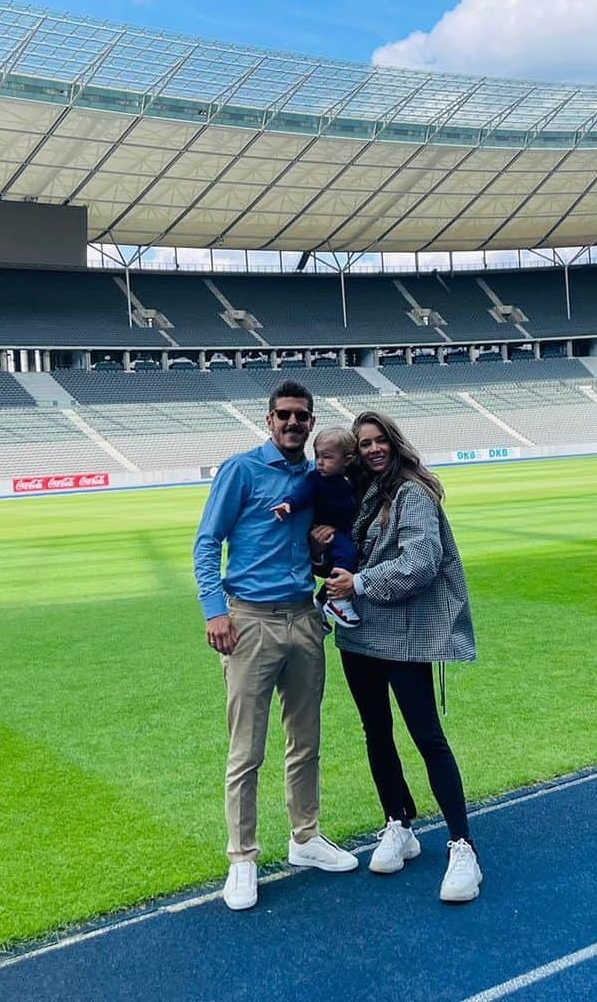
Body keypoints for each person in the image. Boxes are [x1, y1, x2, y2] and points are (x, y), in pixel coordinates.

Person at [193, 381, 358, 912]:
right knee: (247, 749)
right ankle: (242, 857)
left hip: (304, 617)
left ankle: (305, 838)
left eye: (302, 417)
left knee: (305, 739)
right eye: (284, 415)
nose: (293, 423)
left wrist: (322, 541)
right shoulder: (241, 471)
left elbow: (326, 528)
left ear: (312, 423)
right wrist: (215, 610)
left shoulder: (315, 478)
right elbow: (206, 542)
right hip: (250, 621)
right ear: (269, 421)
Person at [323, 410, 481, 903]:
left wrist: (360, 583)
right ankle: (398, 822)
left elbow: (422, 561)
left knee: (427, 737)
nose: (372, 450)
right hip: (360, 636)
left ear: (393, 442)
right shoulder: (358, 493)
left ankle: (462, 846)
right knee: (376, 731)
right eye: (363, 443)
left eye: (378, 441)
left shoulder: (412, 492)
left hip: (404, 636)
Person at [271, 425, 361, 629]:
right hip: (330, 532)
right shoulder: (317, 479)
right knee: (348, 555)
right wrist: (288, 504)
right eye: (318, 456)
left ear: (347, 459)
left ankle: (321, 601)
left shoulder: (348, 479)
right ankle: (338, 600)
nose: (319, 462)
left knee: (350, 561)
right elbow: (303, 493)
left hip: (343, 530)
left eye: (327, 457)